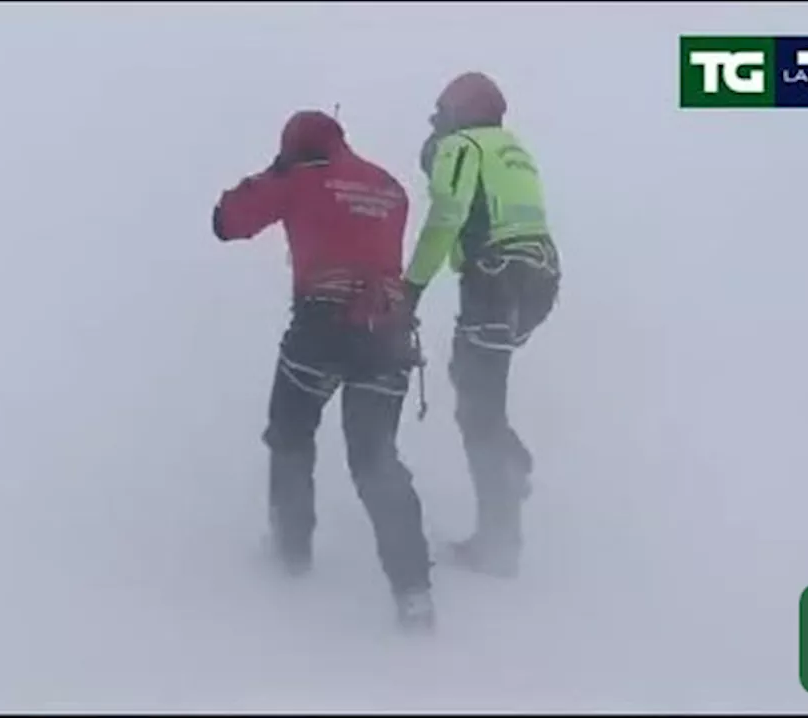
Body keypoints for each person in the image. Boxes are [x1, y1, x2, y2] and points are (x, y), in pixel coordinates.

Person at [212, 110, 435, 631]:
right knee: (377, 461)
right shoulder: (390, 187)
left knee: (290, 436)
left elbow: (227, 222)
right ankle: (414, 594)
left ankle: (292, 551)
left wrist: (276, 172)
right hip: (387, 330)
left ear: (293, 148)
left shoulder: (298, 177)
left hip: (322, 328)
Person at [403, 72, 561, 579]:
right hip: (539, 279)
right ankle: (509, 477)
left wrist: (411, 287)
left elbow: (447, 213)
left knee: (477, 404)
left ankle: (500, 539)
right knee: (481, 390)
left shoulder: (463, 145)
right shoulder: (512, 148)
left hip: (493, 278)